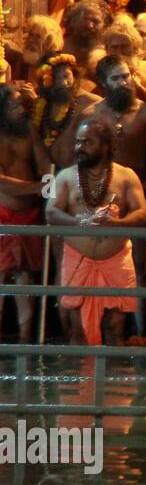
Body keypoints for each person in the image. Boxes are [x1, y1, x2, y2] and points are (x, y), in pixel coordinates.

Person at [46, 121, 146, 345]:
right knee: (77, 331)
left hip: (117, 260)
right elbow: (51, 212)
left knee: (115, 328)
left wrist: (117, 224)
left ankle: (114, 380)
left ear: (105, 146)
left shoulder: (127, 176)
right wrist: (78, 221)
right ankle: (79, 380)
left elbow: (141, 213)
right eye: (78, 142)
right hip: (78, 260)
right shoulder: (64, 176)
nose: (80, 147)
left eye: (87, 142)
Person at [84, 54, 146, 333]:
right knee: (102, 262)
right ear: (103, 84)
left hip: (138, 197)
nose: (124, 82)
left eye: (127, 75)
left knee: (141, 266)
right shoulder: (92, 114)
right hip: (101, 196)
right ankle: (104, 330)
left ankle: (141, 332)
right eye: (116, 78)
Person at [0, 84, 52, 342]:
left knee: (25, 276)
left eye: (23, 105)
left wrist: (48, 183)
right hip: (3, 215)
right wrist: (38, 188)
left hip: (30, 214)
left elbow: (45, 163)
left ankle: (25, 340)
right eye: (15, 106)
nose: (22, 110)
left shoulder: (27, 131)